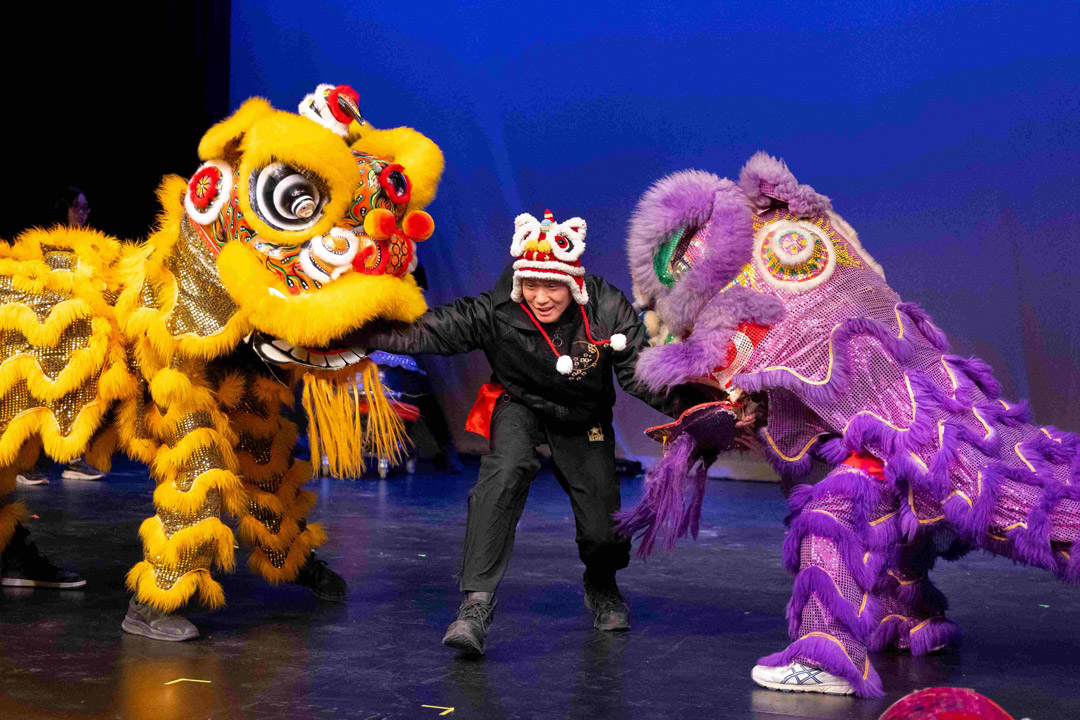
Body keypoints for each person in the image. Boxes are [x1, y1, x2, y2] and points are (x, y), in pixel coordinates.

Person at [348, 210, 697, 655]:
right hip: (520, 404)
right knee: (502, 474)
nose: (541, 297)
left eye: (552, 286)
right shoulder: (497, 309)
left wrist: (695, 410)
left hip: (583, 415)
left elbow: (639, 375)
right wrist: (352, 329)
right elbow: (427, 332)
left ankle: (601, 581)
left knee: (602, 527)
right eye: (532, 285)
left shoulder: (608, 308)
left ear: (572, 283)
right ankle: (475, 605)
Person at [16, 186, 106, 486]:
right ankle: (22, 464)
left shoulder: (88, 244)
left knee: (75, 394)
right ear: (64, 209)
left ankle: (73, 459)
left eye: (86, 208)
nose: (83, 213)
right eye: (77, 207)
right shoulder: (44, 242)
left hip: (76, 331)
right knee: (36, 396)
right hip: (45, 331)